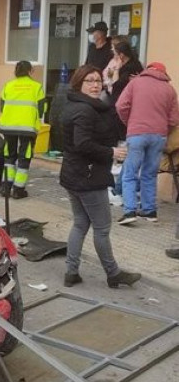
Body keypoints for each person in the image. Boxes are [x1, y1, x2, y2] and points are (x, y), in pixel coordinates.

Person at [59, 64, 141, 289]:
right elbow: (83, 143)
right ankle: (113, 273)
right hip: (88, 177)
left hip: (74, 174)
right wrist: (111, 152)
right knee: (102, 228)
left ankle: (71, 271)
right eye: (90, 81)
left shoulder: (76, 104)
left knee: (80, 224)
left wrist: (113, 84)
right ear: (79, 83)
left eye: (98, 80)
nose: (95, 85)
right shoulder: (85, 110)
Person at [115, 62, 179, 225]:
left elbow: (120, 105)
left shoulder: (135, 83)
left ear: (148, 69)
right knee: (149, 173)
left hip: (137, 134)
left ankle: (129, 211)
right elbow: (174, 118)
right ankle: (150, 211)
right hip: (159, 136)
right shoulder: (169, 89)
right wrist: (164, 128)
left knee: (130, 173)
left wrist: (129, 122)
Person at [0, 61, 45, 199]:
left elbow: (2, 106)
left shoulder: (8, 86)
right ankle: (18, 189)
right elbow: (41, 110)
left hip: (8, 127)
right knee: (24, 157)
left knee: (9, 156)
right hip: (28, 128)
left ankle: (6, 187)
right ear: (30, 71)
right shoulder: (37, 87)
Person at [106, 42, 143, 206]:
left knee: (124, 149)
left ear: (121, 54)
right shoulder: (135, 66)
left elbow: (115, 86)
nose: (113, 55)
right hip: (126, 113)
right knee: (126, 150)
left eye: (115, 52)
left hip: (123, 113)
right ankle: (121, 187)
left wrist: (116, 71)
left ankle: (119, 189)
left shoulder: (129, 68)